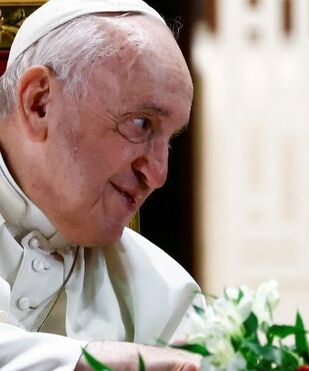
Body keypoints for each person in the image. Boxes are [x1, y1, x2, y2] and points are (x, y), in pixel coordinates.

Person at [0, 0, 203, 369]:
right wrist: (92, 362)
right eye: (141, 124)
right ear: (39, 103)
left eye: (169, 140)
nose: (157, 176)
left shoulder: (169, 298)